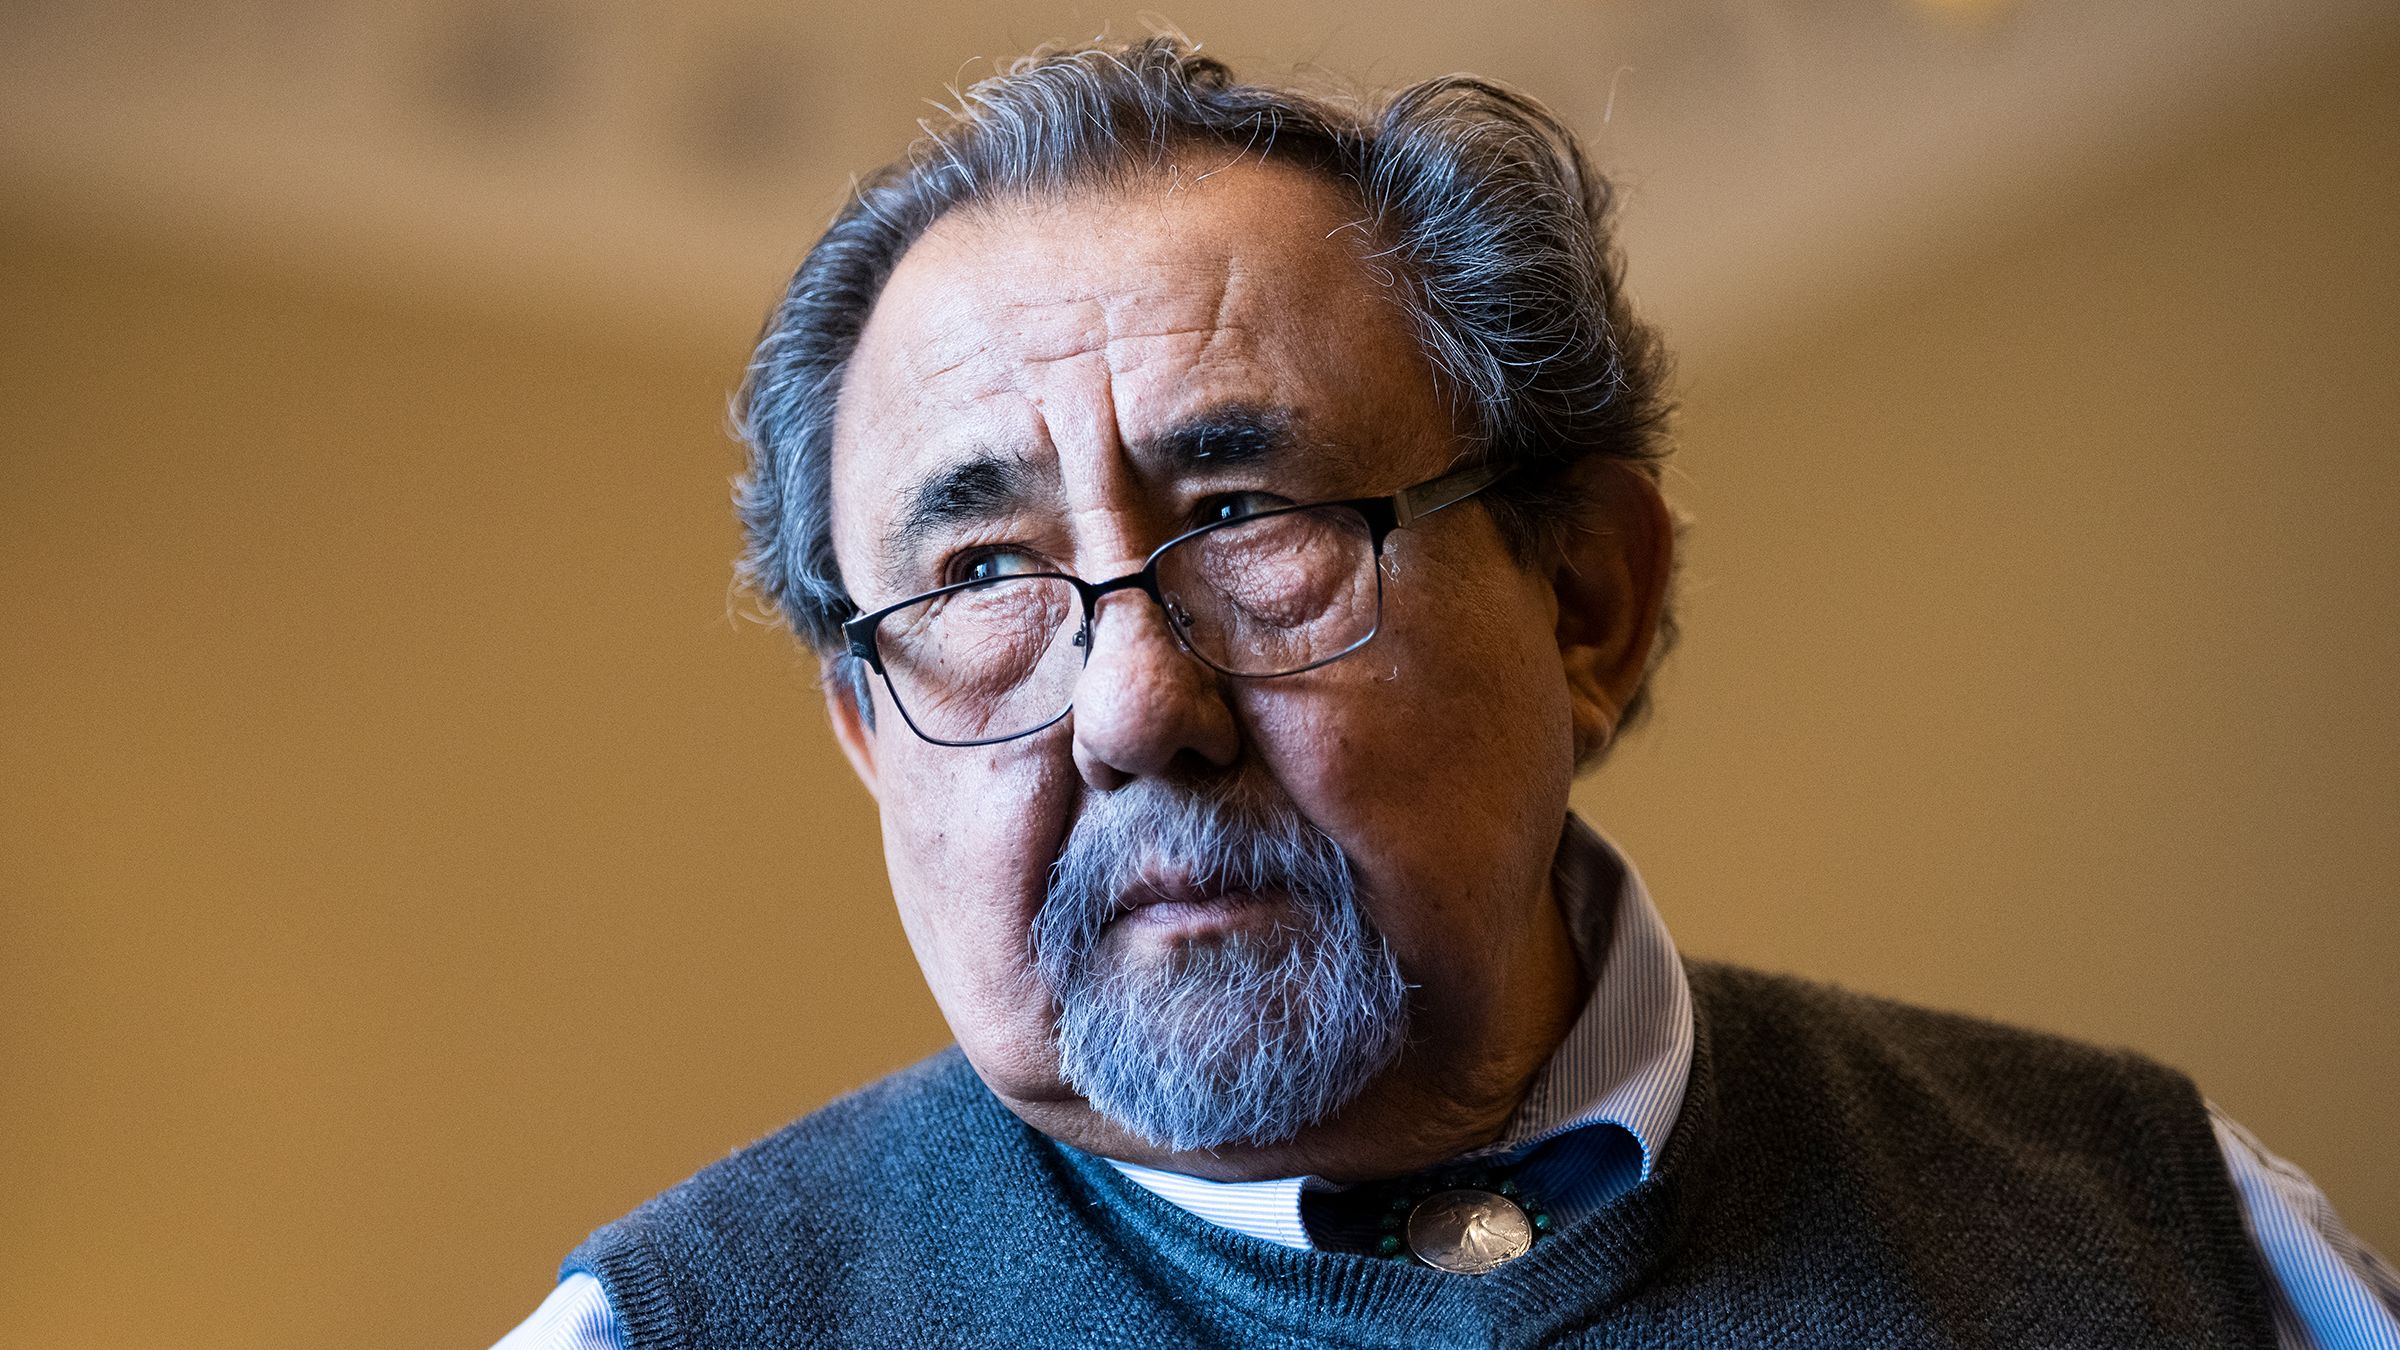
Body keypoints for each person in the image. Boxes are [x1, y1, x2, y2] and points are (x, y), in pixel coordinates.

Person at [496, 36, 2397, 1349]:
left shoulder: (2149, 1237)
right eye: (981, 575)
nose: (1132, 704)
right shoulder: (676, 1325)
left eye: (1247, 514)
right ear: (866, 728)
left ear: (1589, 596)